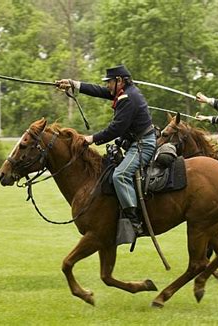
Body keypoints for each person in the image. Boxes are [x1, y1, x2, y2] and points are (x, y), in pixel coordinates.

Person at [56, 65, 156, 237]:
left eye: (110, 82)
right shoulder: (124, 92)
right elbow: (99, 91)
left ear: (119, 81)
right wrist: (73, 84)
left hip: (143, 145)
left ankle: (134, 222)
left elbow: (115, 129)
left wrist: (91, 139)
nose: (108, 86)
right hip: (134, 142)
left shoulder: (128, 98)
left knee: (120, 175)